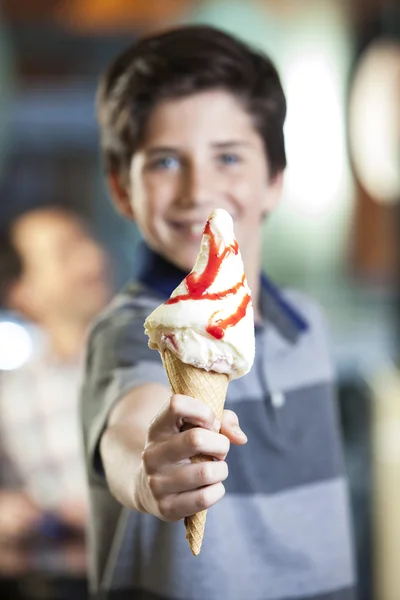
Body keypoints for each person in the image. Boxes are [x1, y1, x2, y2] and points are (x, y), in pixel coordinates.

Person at [81, 25, 357, 600]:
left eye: (228, 156)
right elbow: (131, 429)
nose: (197, 188)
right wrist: (148, 474)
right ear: (121, 188)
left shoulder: (307, 326)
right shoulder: (135, 330)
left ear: (275, 180)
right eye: (163, 162)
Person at [0, 206, 111, 541]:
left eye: (87, 242)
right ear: (24, 293)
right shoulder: (11, 397)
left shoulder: (160, 362)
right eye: (66, 253)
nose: (93, 259)